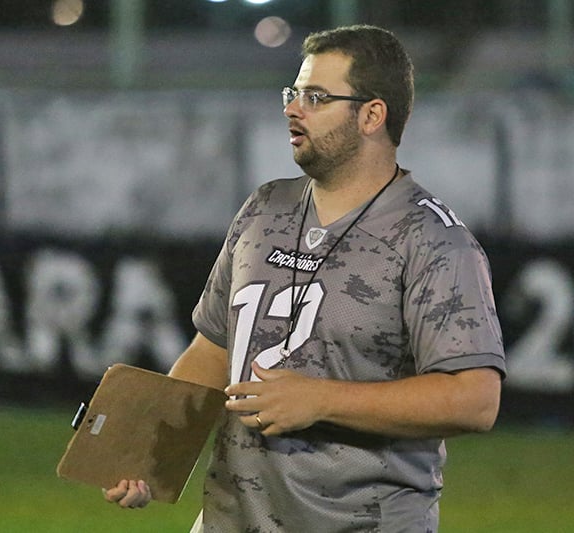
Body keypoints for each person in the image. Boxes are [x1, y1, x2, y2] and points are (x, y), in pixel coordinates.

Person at [104, 24, 505, 532]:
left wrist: (320, 399)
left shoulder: (432, 240)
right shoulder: (264, 207)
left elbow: (475, 398)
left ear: (372, 115)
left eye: (316, 97)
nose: (294, 109)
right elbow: (214, 350)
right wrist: (149, 451)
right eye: (293, 93)